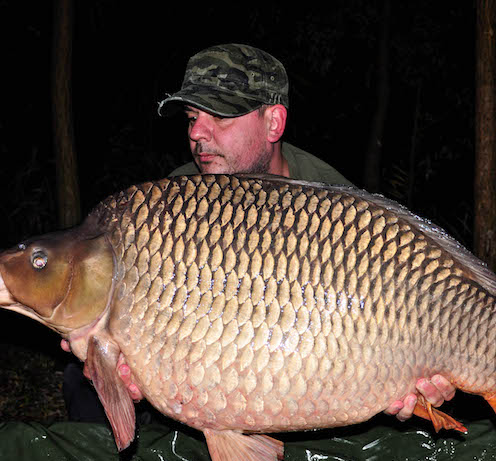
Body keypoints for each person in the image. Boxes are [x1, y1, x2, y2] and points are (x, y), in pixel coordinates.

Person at [63, 43, 456, 424]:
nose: (198, 133)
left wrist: (405, 383)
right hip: (220, 381)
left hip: (317, 376)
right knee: (80, 383)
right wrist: (138, 373)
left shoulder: (340, 209)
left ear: (273, 122)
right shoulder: (173, 205)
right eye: (191, 117)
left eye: (219, 116)